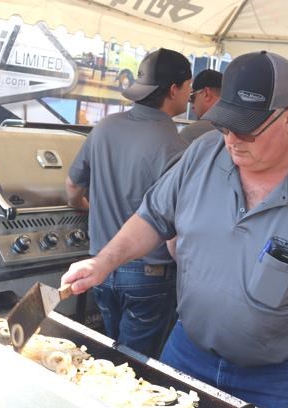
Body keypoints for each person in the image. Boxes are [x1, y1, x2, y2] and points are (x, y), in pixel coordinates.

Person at [61, 51, 288, 408]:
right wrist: (103, 261)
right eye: (224, 125)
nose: (232, 141)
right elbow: (153, 217)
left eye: (247, 129)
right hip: (188, 350)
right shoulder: (203, 154)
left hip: (281, 376)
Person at [65, 48, 191, 358]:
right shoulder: (175, 147)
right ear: (173, 89)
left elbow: (71, 185)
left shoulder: (105, 127)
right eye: (189, 87)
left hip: (100, 268)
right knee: (133, 364)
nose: (190, 95)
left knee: (111, 351)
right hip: (149, 278)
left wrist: (82, 204)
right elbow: (173, 229)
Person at [179, 69, 222, 143]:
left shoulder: (192, 133)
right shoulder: (240, 128)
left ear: (206, 94)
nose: (192, 106)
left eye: (192, 97)